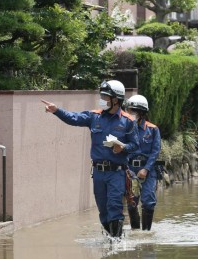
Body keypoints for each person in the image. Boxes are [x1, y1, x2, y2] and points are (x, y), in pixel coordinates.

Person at [42, 80, 139, 237]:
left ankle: (116, 248)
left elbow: (136, 145)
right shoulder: (95, 117)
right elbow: (74, 118)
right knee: (103, 210)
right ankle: (110, 239)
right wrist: (56, 111)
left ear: (116, 100)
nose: (103, 99)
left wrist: (123, 148)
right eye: (102, 95)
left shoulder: (128, 121)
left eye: (106, 96)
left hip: (117, 173)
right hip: (98, 173)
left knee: (114, 207)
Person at [124, 95, 161, 231]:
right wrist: (127, 169)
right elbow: (122, 149)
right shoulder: (125, 128)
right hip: (130, 168)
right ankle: (135, 232)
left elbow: (155, 151)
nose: (130, 113)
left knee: (149, 202)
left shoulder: (153, 129)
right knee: (131, 203)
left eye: (133, 111)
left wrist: (146, 169)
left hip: (148, 170)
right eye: (129, 110)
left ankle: (146, 234)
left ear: (142, 112)